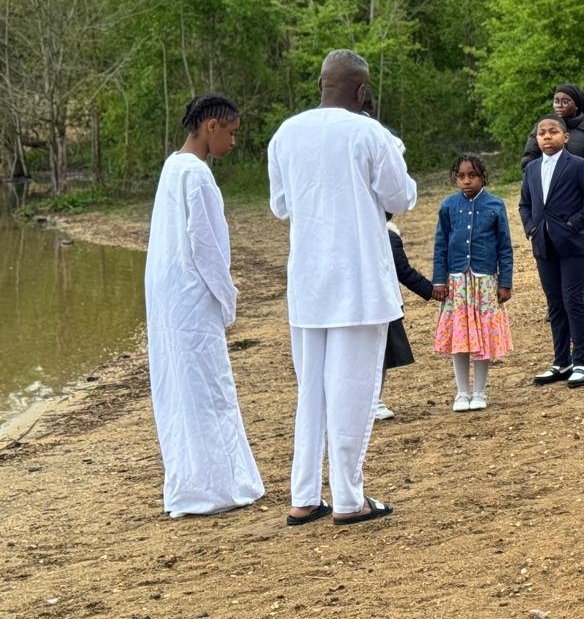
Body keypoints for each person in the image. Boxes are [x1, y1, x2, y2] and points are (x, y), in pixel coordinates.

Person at [269, 49, 417, 526]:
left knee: (311, 391)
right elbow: (400, 198)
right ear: (361, 91)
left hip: (308, 282)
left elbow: (281, 206)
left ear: (319, 84)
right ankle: (350, 498)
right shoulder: (369, 132)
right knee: (352, 389)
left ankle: (304, 495)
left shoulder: (286, 134)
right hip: (357, 280)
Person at [146, 93, 265, 518]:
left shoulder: (171, 167)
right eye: (231, 132)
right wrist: (227, 296)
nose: (233, 142)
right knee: (207, 389)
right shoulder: (193, 174)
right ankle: (217, 488)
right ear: (210, 125)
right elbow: (207, 246)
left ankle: (193, 484)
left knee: (181, 389)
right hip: (192, 297)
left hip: (169, 298)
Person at [520, 115, 584, 388]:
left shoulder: (577, 165)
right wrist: (531, 227)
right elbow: (524, 204)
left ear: (565, 137)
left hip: (572, 244)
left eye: (553, 132)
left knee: (573, 302)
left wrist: (574, 223)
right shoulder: (532, 169)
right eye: (541, 133)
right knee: (555, 304)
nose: (546, 137)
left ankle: (582, 361)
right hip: (543, 245)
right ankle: (561, 360)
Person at [431, 154, 514, 411]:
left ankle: (479, 391)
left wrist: (505, 282)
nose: (467, 181)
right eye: (461, 176)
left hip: (485, 282)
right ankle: (461, 392)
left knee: (483, 336)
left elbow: (505, 247)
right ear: (455, 179)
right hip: (457, 283)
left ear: (483, 177)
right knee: (460, 335)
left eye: (472, 176)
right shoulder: (448, 206)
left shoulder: (495, 205)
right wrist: (438, 280)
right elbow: (440, 245)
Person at [525, 84, 584, 314]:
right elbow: (529, 157)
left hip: (579, 199)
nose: (559, 105)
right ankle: (559, 302)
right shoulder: (543, 128)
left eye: (565, 101)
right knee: (550, 249)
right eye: (556, 101)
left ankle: (583, 296)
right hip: (548, 199)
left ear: (577, 104)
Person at [373, 214, 440, 421]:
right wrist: (432, 291)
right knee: (376, 356)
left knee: (380, 355)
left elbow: (401, 271)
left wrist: (431, 291)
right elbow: (404, 271)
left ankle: (374, 400)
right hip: (370, 304)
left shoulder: (388, 236)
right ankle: (370, 402)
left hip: (383, 303)